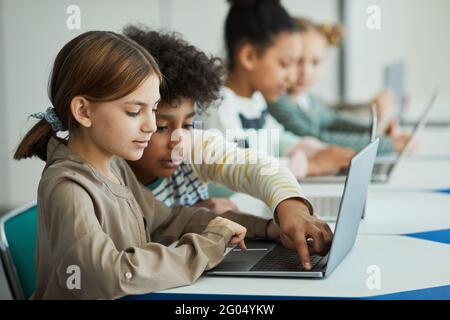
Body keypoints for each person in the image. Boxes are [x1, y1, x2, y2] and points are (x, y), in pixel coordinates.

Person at [13, 31, 283, 299]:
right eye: (133, 111)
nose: (151, 125)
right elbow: (106, 275)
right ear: (84, 111)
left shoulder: (115, 167)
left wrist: (265, 228)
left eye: (152, 110)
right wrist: (208, 244)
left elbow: (169, 221)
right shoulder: (69, 189)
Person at [201, 0, 355, 180]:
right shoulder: (220, 107)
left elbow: (277, 139)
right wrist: (310, 166)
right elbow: (239, 170)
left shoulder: (255, 100)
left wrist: (316, 150)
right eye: (285, 64)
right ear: (249, 57)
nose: (292, 77)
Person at [267, 17, 411, 154]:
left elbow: (334, 121)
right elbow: (320, 139)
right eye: (297, 61)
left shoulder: (307, 99)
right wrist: (389, 144)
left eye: (315, 62)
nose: (306, 71)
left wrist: (373, 131)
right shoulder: (276, 101)